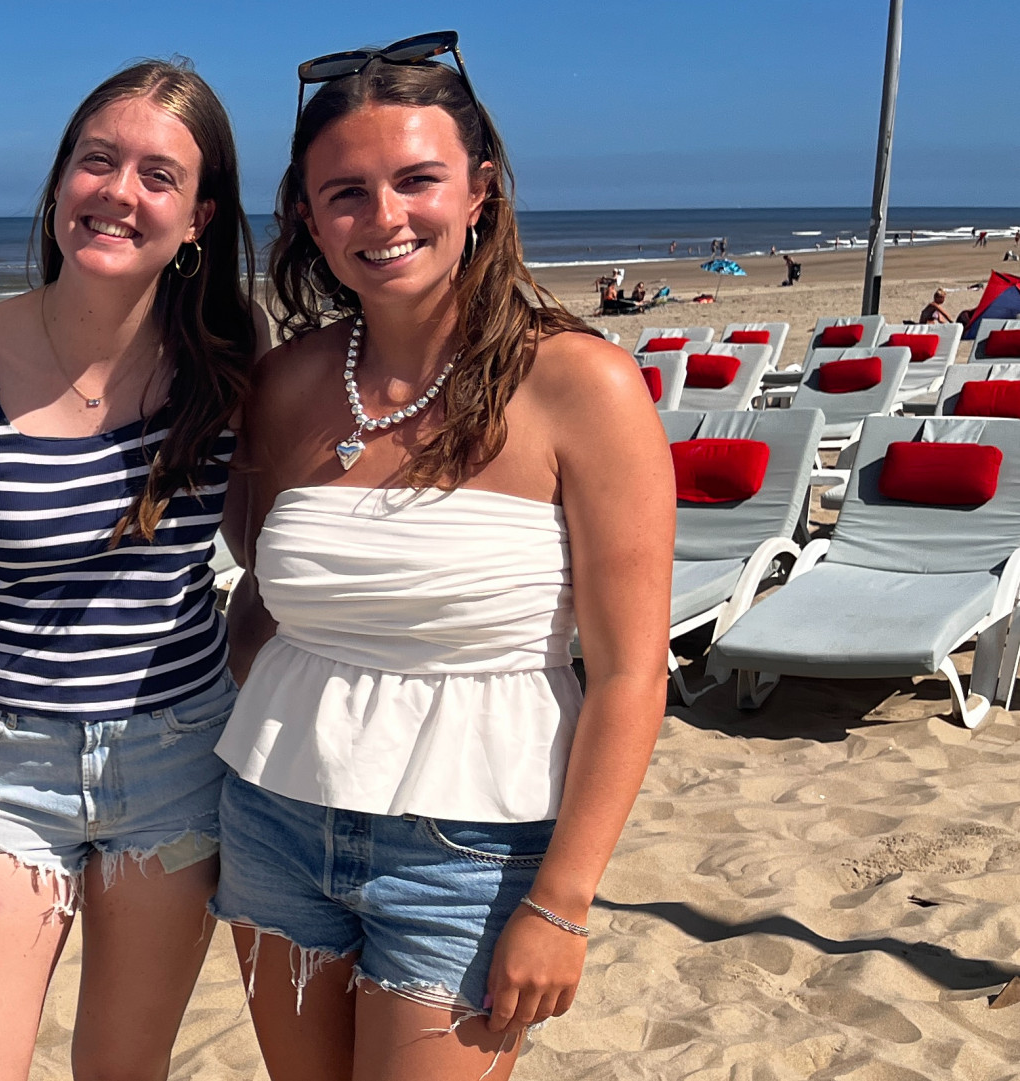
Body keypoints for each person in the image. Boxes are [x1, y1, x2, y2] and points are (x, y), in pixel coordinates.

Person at [215, 36, 672, 1079]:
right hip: (274, 814)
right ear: (307, 215)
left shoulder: (582, 385)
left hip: (472, 845)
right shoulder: (286, 384)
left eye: (417, 179)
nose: (384, 217)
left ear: (480, 188)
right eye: (346, 193)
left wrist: (563, 902)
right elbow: (263, 594)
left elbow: (631, 673)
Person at [0, 59, 261, 1080]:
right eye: (98, 161)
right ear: (59, 181)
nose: (118, 193)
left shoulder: (226, 370)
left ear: (198, 218)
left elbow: (276, 566)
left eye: (157, 175)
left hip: (179, 762)